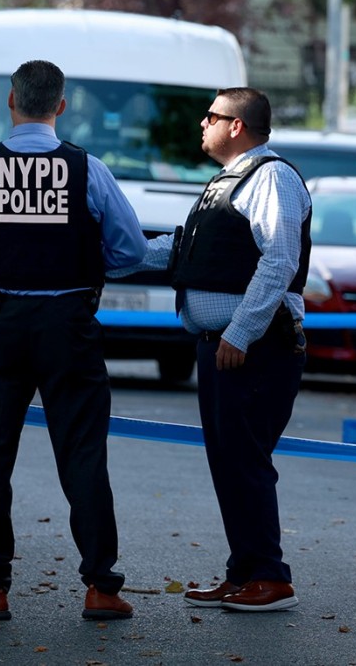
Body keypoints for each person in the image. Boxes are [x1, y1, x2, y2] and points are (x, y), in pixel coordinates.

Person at [0, 60, 146, 621]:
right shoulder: (88, 169)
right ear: (62, 106)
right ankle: (101, 586)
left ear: (12, 102)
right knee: (84, 459)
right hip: (70, 327)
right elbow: (131, 251)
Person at [118, 87, 310, 611]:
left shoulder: (271, 177)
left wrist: (240, 332)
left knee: (244, 460)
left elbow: (279, 261)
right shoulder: (228, 182)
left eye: (211, 116)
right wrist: (107, 254)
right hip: (227, 346)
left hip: (254, 348)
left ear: (236, 127)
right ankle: (245, 572)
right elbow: (183, 250)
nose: (201, 123)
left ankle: (270, 577)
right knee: (228, 461)